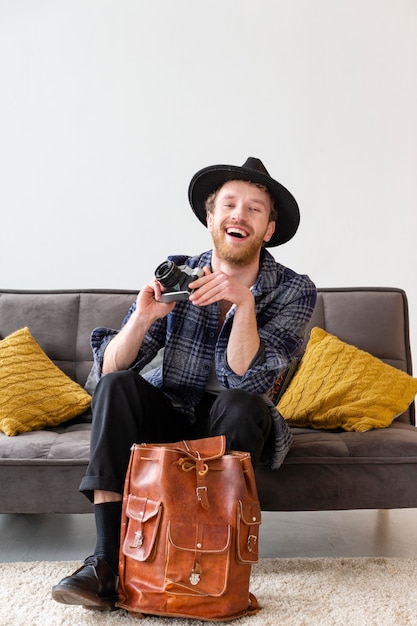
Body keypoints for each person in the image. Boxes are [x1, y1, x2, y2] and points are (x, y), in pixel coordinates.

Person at [51, 157, 317, 610]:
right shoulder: (176, 271)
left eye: (254, 209)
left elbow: (247, 377)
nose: (239, 214)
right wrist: (142, 318)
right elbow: (109, 371)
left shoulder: (294, 290)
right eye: (229, 205)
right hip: (173, 412)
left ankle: (204, 565)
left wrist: (244, 306)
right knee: (118, 388)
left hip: (233, 421)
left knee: (241, 402)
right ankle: (105, 565)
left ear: (268, 229)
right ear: (210, 218)